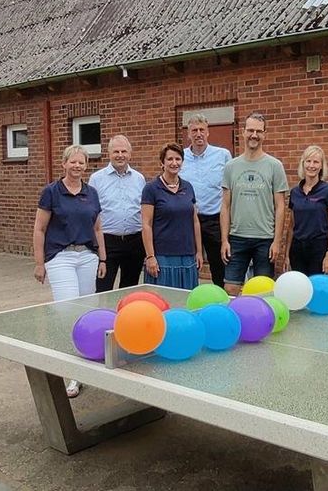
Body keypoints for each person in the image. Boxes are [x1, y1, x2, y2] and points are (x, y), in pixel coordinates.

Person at [32, 145, 106, 398]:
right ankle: (69, 372)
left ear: (86, 166)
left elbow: (98, 229)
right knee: (67, 311)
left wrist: (102, 258)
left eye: (81, 163)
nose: (77, 166)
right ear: (64, 164)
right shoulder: (51, 192)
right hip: (60, 257)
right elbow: (40, 229)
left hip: (87, 257)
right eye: (72, 162)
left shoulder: (92, 193)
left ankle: (84, 365)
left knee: (86, 312)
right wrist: (39, 263)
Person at [220, 113, 289, 296]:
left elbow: (280, 206)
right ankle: (238, 322)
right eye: (250, 130)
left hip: (265, 239)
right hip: (237, 237)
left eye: (259, 131)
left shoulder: (275, 166)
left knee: (264, 291)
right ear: (242, 133)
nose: (254, 135)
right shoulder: (231, 167)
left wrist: (276, 241)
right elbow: (225, 206)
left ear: (265, 134)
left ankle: (260, 323)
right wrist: (224, 240)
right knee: (231, 288)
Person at [88, 135, 147, 292]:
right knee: (103, 288)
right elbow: (91, 213)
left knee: (129, 289)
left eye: (124, 151)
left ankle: (124, 317)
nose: (120, 155)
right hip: (107, 242)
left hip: (134, 242)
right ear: (109, 153)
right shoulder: (96, 179)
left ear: (130, 154)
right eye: (116, 151)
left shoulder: (139, 178)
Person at [141, 142, 203, 289]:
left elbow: (195, 221)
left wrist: (199, 252)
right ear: (162, 162)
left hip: (187, 257)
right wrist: (150, 256)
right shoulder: (151, 189)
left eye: (178, 159)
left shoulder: (188, 187)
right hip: (162, 258)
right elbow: (146, 224)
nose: (174, 163)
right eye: (170, 159)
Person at [179, 114, 232, 287]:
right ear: (188, 134)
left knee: (220, 264)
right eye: (194, 130)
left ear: (208, 132)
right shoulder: (180, 157)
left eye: (202, 130)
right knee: (189, 264)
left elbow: (230, 187)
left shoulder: (223, 155)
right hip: (187, 220)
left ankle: (222, 300)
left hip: (214, 219)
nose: (198, 134)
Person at [284, 145, 328, 276]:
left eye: (316, 162)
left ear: (321, 166)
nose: (311, 165)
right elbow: (291, 226)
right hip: (298, 250)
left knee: (318, 290)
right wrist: (287, 255)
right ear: (303, 164)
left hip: (320, 249)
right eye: (308, 161)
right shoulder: (294, 192)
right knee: (301, 292)